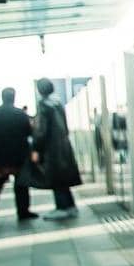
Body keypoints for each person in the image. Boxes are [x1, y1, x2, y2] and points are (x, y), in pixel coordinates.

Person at [0, 88, 37, 224]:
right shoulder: (21, 114)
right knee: (21, 186)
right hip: (18, 156)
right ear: (14, 97)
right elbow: (29, 132)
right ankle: (23, 211)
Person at [32, 78, 83, 220]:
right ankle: (71, 206)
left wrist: (36, 148)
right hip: (64, 145)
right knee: (64, 178)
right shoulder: (58, 103)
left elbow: (41, 130)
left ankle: (62, 207)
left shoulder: (43, 104)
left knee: (56, 178)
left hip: (52, 148)